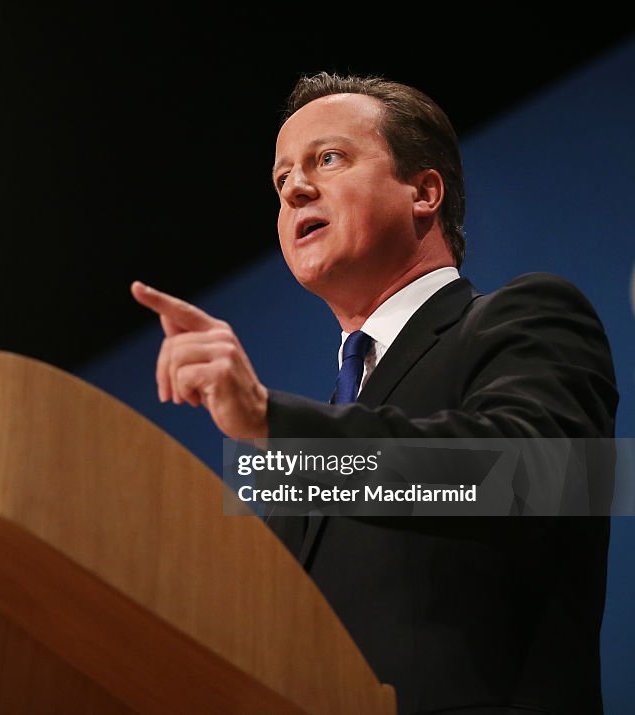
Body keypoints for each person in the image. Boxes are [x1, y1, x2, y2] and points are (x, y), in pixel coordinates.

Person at [131, 73, 617, 715]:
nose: (296, 188)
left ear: (424, 192)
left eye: (327, 159)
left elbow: (531, 478)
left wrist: (269, 422)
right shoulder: (316, 435)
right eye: (281, 181)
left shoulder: (525, 316)